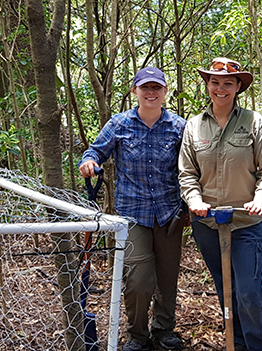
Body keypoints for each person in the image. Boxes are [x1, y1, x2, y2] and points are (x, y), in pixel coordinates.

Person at [79, 66, 187, 351]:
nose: (151, 93)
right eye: (145, 87)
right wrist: (89, 162)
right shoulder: (119, 124)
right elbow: (95, 151)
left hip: (169, 214)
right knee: (139, 279)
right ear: (135, 91)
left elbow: (194, 164)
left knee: (167, 276)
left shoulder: (179, 127)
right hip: (133, 216)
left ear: (165, 92)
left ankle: (164, 330)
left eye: (156, 88)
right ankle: (137, 335)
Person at [178, 57, 262, 351]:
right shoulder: (194, 126)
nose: (220, 88)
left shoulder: (252, 121)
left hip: (246, 222)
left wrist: (260, 199)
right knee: (226, 287)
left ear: (237, 87)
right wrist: (194, 200)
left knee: (249, 291)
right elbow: (187, 173)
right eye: (214, 82)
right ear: (207, 85)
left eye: (227, 83)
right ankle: (234, 343)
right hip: (207, 223)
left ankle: (259, 346)